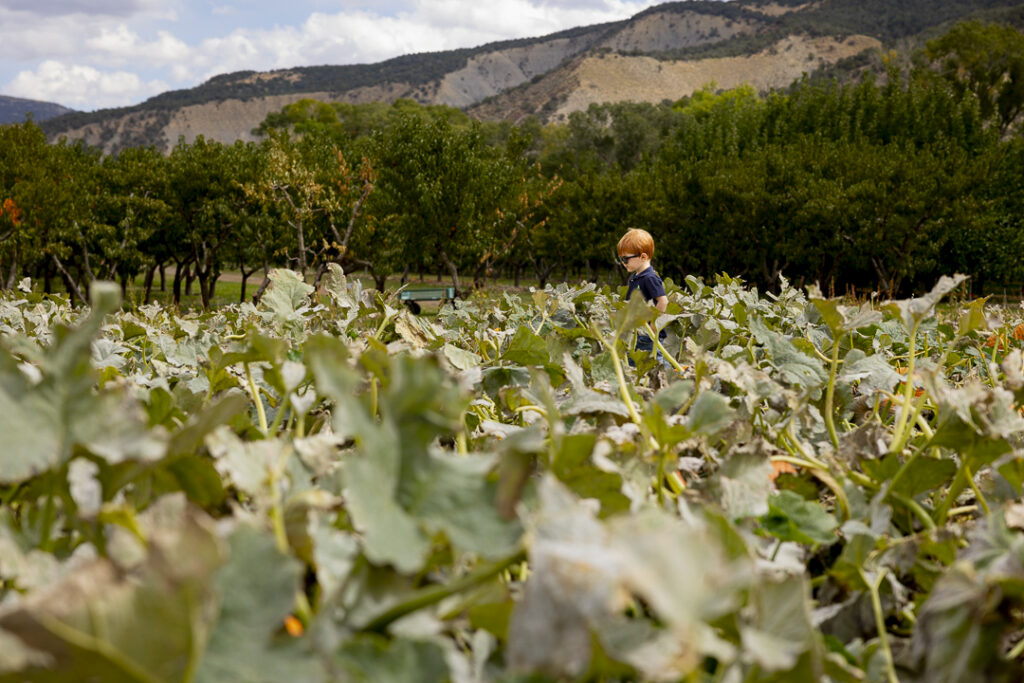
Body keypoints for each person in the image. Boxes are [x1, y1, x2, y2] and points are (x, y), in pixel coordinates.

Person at [617, 228, 668, 366]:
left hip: (648, 336)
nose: (623, 262)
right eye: (621, 259)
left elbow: (663, 301)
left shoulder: (650, 278)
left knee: (652, 367)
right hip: (639, 334)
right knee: (637, 364)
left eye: (625, 258)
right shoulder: (636, 277)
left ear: (643, 257)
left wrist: (653, 325)